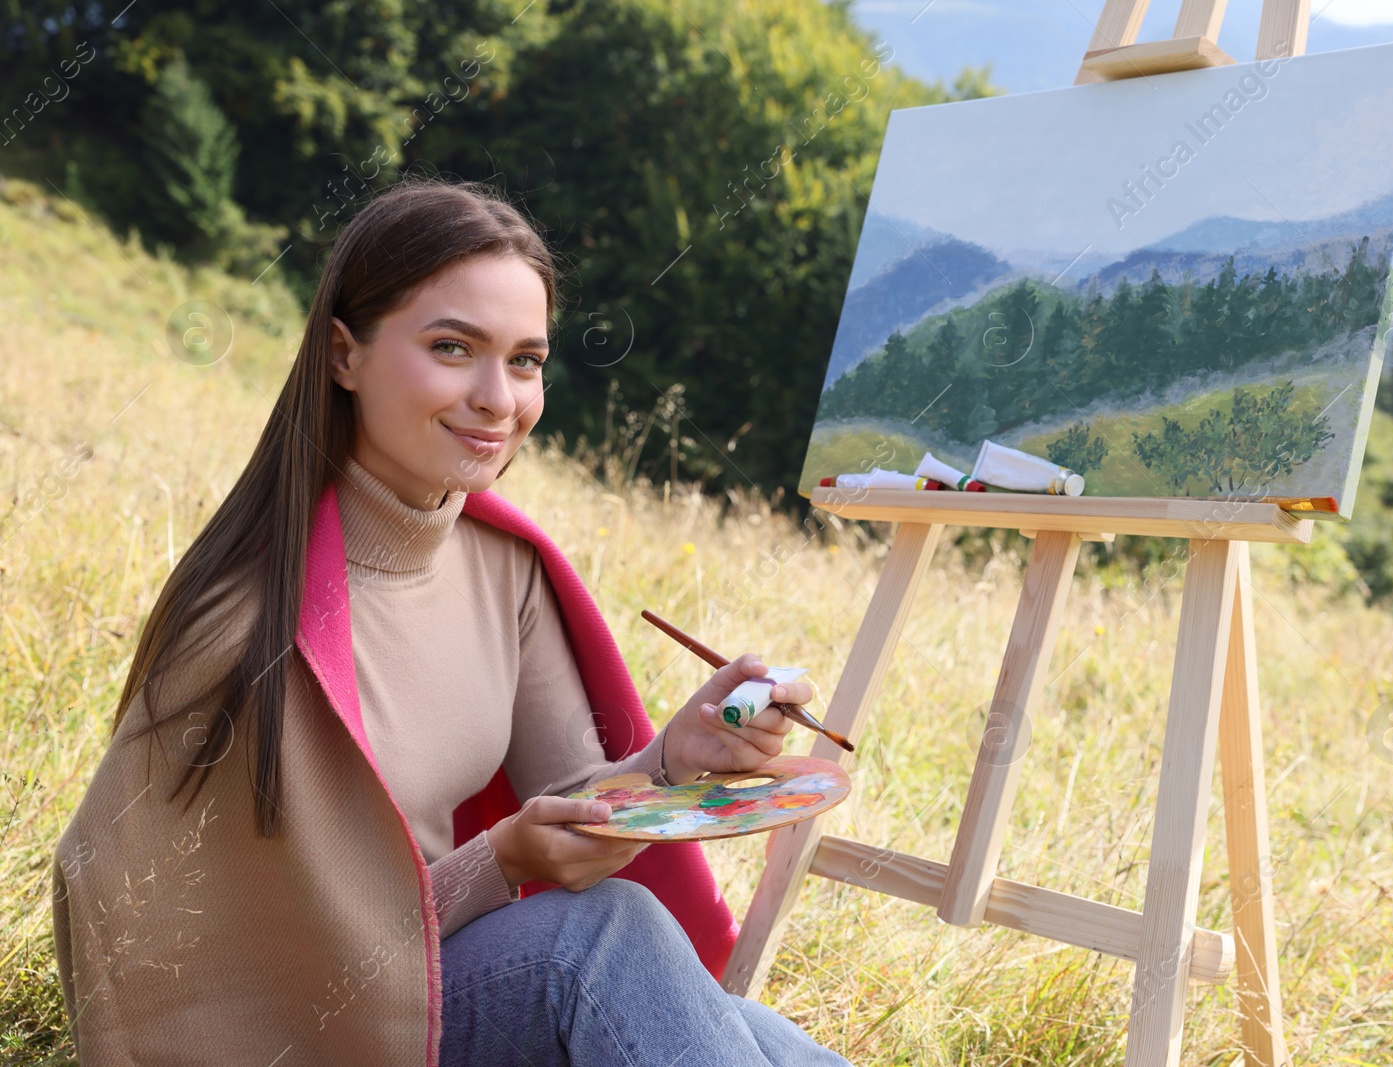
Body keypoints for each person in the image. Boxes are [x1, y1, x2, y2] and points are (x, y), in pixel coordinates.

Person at [51, 176, 852, 1067]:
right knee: (599, 937)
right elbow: (209, 956)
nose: (497, 398)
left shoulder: (502, 565)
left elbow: (580, 795)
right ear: (343, 354)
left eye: (525, 360)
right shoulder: (245, 627)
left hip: (449, 977)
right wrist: (499, 861)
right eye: (452, 346)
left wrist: (677, 757)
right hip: (319, 1037)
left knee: (753, 1032)